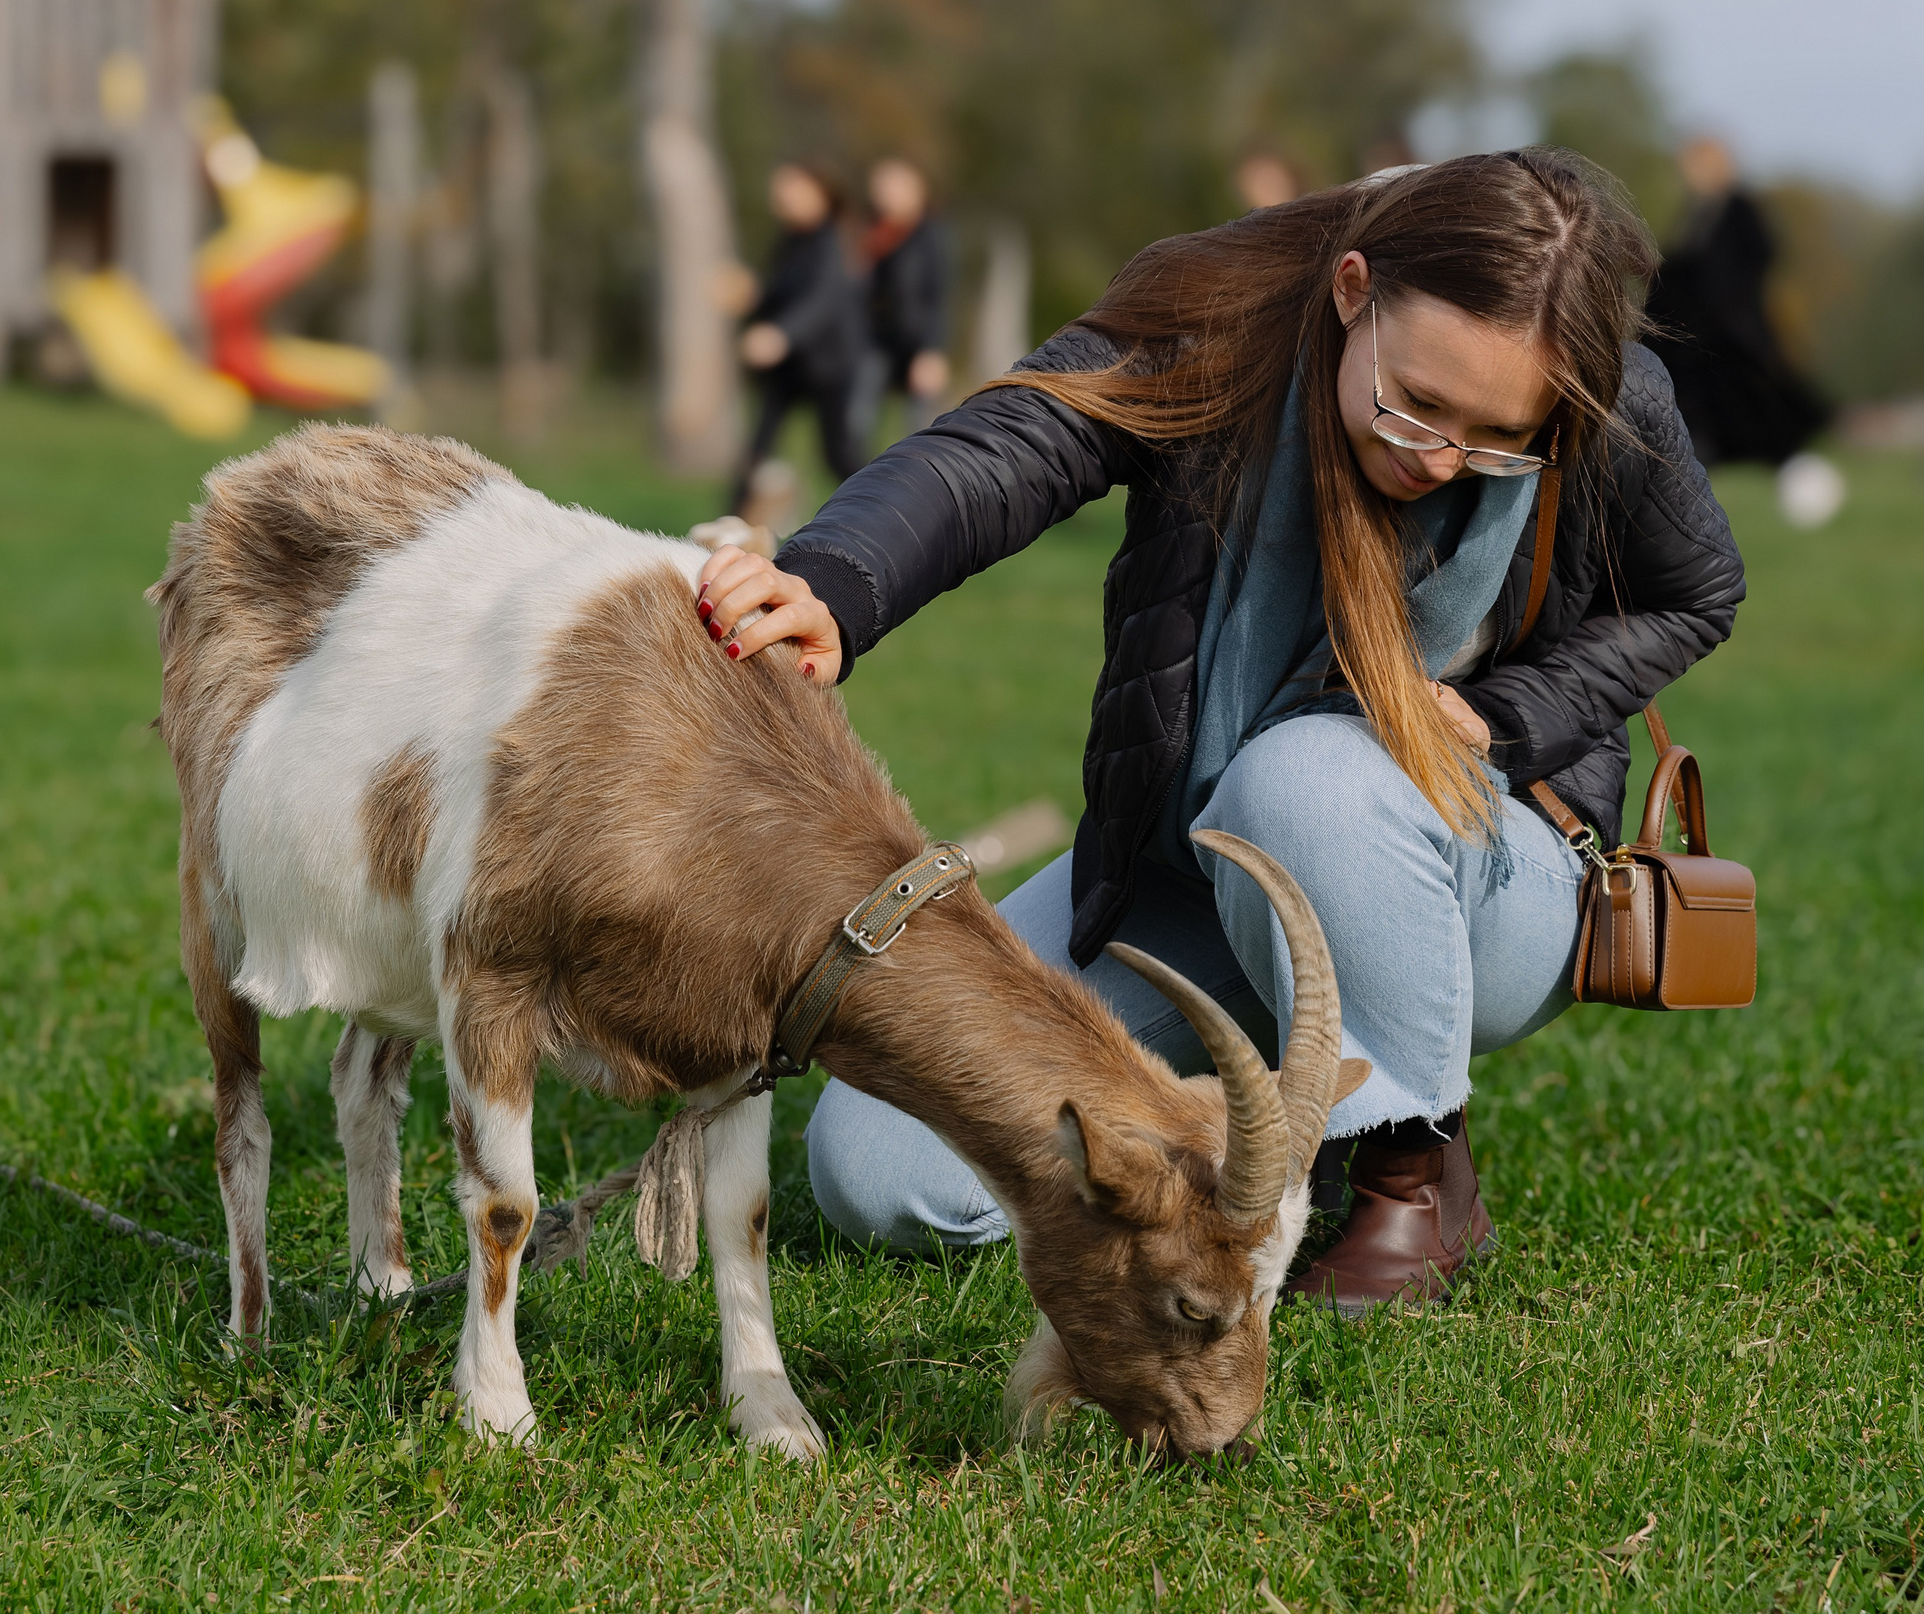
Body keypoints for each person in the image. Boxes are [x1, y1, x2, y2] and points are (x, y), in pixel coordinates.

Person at [694, 150, 1745, 1313]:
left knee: (1306, 776)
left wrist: (1504, 717)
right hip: (1197, 868)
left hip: (1476, 876)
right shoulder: (1211, 327)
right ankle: (1251, 1123)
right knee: (883, 1175)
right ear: (1352, 290)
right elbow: (1004, 451)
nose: (1438, 458)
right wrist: (838, 580)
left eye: (1493, 436)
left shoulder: (1608, 398)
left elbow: (1692, 593)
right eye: (1415, 402)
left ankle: (1412, 1170)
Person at [1642, 136, 1829, 468]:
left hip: (1732, 326)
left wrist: (1722, 292)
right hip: (1701, 328)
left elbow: (1758, 255)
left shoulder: (1740, 207)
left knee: (1753, 396)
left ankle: (1782, 456)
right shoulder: (1698, 212)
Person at [729, 162, 871, 516]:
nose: (784, 200)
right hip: (790, 368)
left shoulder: (836, 240)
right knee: (757, 448)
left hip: (830, 363)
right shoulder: (791, 240)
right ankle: (726, 527)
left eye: (794, 190)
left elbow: (823, 299)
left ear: (822, 194)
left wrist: (782, 334)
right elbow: (781, 295)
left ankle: (877, 512)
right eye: (780, 193)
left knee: (838, 456)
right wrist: (750, 299)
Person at [859, 158, 951, 437]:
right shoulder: (870, 234)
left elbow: (940, 296)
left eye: (894, 189)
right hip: (876, 342)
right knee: (857, 421)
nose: (887, 197)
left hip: (918, 343)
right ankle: (860, 479)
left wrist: (933, 350)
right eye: (881, 189)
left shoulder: (932, 237)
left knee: (918, 430)